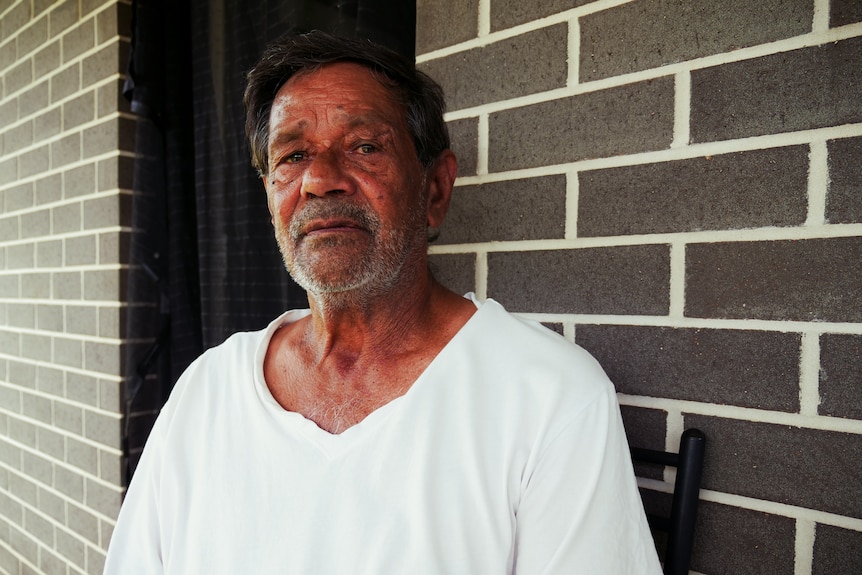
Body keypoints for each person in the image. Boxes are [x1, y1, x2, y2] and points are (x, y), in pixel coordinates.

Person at [104, 31, 662, 574]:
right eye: (293, 155)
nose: (320, 180)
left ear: (435, 189)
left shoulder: (551, 398)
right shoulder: (206, 391)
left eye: (365, 146)